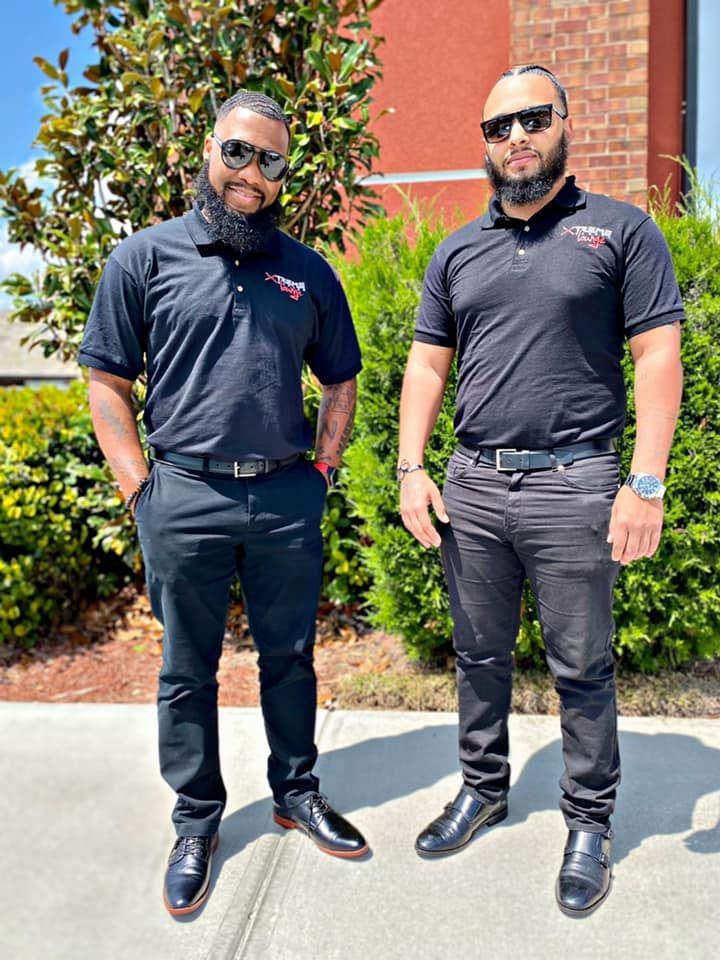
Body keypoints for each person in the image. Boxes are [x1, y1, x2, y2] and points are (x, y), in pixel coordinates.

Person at [398, 64, 683, 916]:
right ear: (484, 144)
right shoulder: (457, 250)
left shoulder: (622, 233)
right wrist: (412, 467)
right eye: (497, 127)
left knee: (581, 666)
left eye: (530, 119)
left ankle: (589, 822)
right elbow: (425, 363)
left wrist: (646, 480)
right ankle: (482, 789)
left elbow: (657, 357)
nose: (514, 137)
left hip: (577, 483)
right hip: (474, 486)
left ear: (563, 123)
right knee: (479, 657)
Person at [79, 90, 368, 918]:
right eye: (238, 153)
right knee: (186, 670)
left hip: (284, 496)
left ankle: (296, 790)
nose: (251, 174)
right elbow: (106, 378)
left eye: (270, 161)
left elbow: (339, 376)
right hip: (184, 494)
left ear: (282, 174)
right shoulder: (144, 258)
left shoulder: (307, 271)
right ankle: (197, 820)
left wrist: (322, 471)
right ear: (209, 152)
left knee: (290, 656)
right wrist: (138, 485)